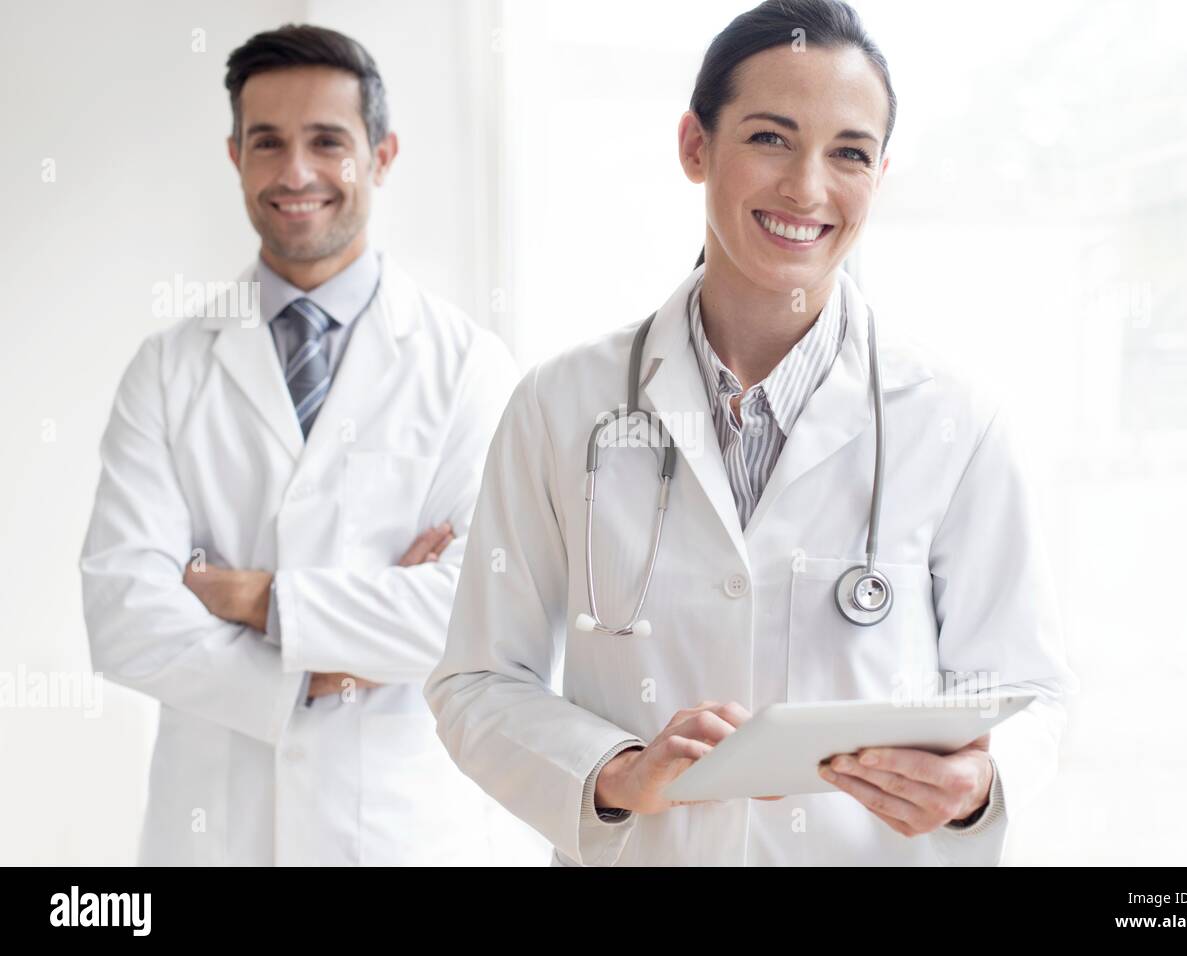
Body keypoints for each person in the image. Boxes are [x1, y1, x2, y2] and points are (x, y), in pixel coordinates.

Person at [426, 0, 1078, 866]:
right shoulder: (561, 405)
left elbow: (1028, 690)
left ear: (879, 176)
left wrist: (978, 790)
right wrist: (616, 771)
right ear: (697, 146)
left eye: (848, 153)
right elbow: (478, 680)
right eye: (771, 138)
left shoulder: (951, 420)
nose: (807, 189)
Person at [80, 24, 517, 865]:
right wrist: (322, 673)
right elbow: (124, 613)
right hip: (213, 830)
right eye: (267, 143)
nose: (295, 174)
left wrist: (259, 600)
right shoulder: (169, 369)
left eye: (328, 142)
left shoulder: (467, 368)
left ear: (382, 156)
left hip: (397, 831)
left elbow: (477, 615)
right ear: (235, 155)